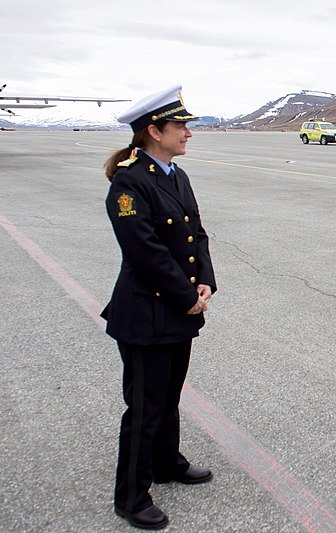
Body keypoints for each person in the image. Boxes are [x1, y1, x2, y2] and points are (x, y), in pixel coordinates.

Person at [102, 84, 216, 529]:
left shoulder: (175, 175)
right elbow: (143, 250)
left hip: (178, 309)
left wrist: (205, 281)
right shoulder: (130, 182)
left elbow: (196, 235)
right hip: (146, 312)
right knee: (145, 407)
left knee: (168, 398)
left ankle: (167, 462)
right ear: (154, 130)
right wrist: (187, 296)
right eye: (180, 126)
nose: (188, 133)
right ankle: (130, 496)